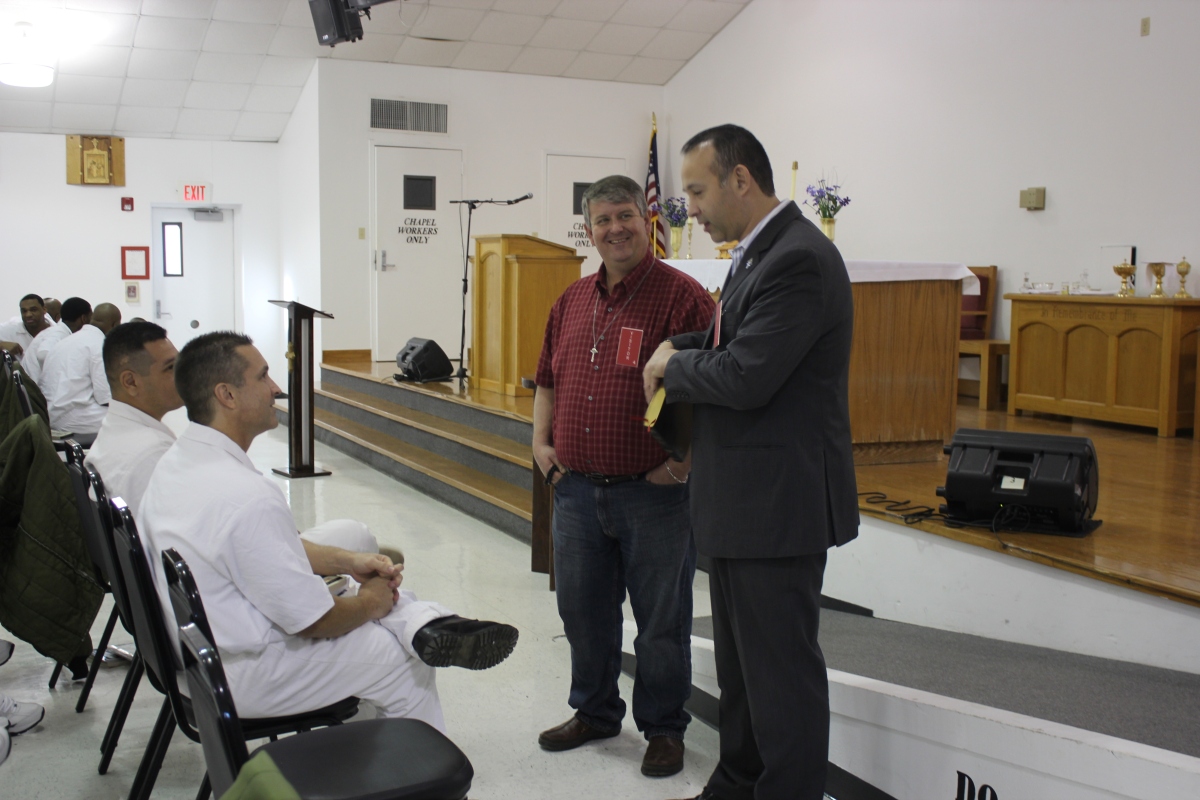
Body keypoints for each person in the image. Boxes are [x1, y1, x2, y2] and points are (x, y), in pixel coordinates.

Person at [140, 331, 518, 724]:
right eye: (263, 376)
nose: (275, 388)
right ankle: (414, 755)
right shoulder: (246, 496)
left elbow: (269, 549)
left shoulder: (179, 460)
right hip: (238, 674)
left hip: (196, 652)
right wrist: (370, 603)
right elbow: (313, 621)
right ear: (227, 395)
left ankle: (422, 623)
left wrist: (348, 561)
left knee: (355, 582)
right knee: (403, 660)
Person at [644, 125, 860, 800]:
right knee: (740, 673)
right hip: (743, 500)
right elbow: (727, 336)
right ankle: (736, 784)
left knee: (780, 680)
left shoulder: (799, 258)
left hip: (777, 503)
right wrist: (679, 346)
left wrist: (673, 365)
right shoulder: (758, 253)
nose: (690, 209)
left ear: (741, 180)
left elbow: (747, 374)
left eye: (698, 191)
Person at [532, 175, 715, 778]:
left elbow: (713, 389)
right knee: (582, 614)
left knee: (661, 623)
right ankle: (595, 712)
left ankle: (664, 729)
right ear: (589, 231)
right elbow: (547, 380)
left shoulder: (683, 298)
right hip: (577, 492)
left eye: (625, 216)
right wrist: (540, 444)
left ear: (646, 218)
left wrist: (682, 464)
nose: (615, 229)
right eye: (603, 220)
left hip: (652, 496)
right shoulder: (571, 301)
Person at [87, 321, 402, 562]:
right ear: (130, 381)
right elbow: (193, 552)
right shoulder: (149, 454)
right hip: (215, 589)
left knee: (350, 540)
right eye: (170, 368)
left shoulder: (123, 434)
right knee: (357, 536)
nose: (180, 375)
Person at [39, 302, 121, 442]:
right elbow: (105, 397)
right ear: (115, 325)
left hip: (50, 414)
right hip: (74, 419)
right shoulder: (100, 344)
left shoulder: (68, 340)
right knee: (134, 420)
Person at [23, 296, 90, 386]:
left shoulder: (60, 331)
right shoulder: (58, 333)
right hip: (35, 389)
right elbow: (43, 355)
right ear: (84, 319)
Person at [0, 294, 52, 360]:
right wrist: (1, 345)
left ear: (44, 309)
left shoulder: (58, 332)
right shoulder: (10, 329)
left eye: (33, 310)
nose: (28, 315)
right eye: (24, 311)